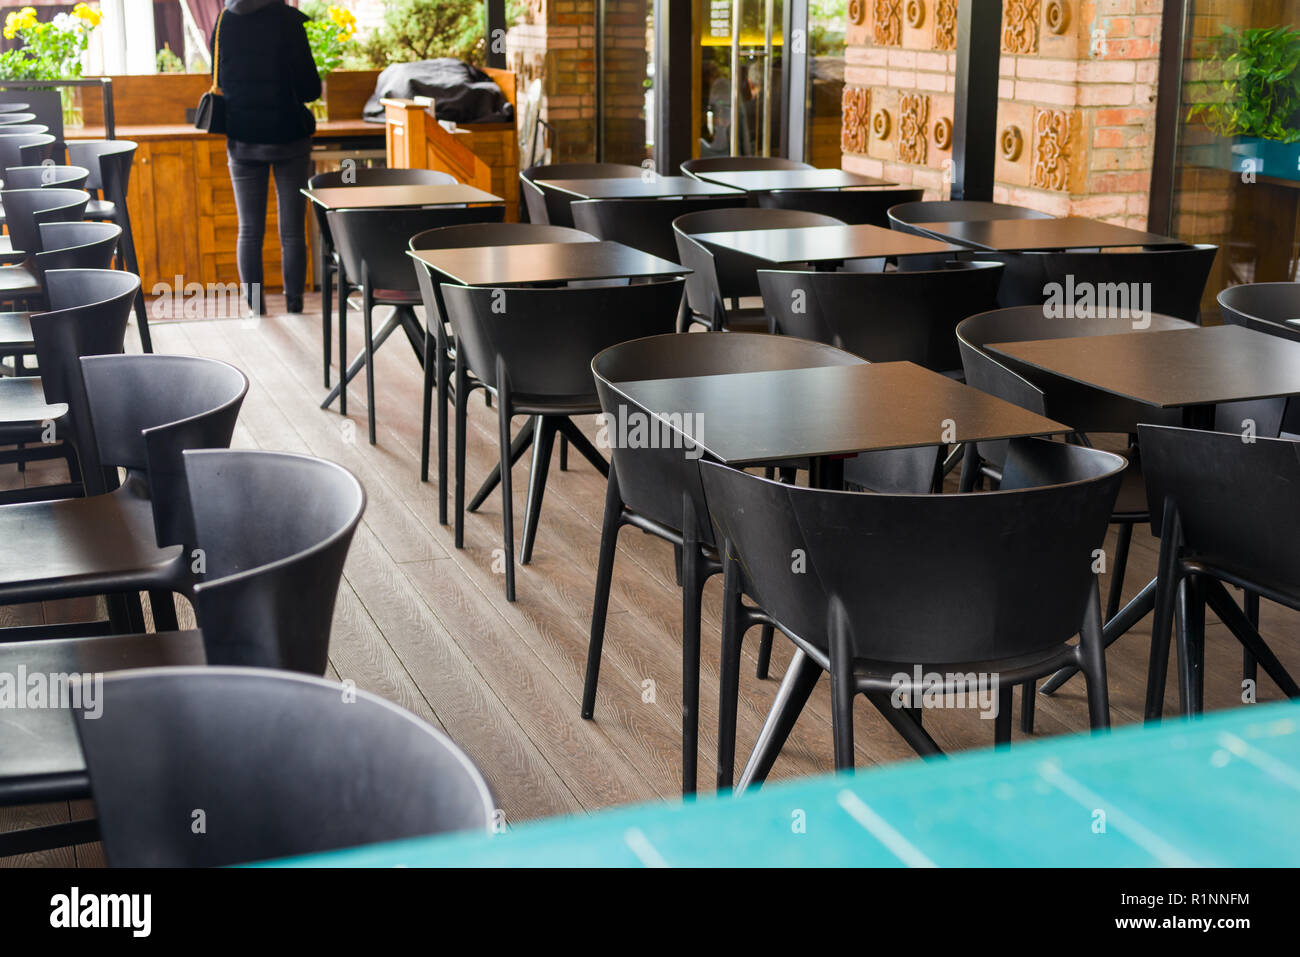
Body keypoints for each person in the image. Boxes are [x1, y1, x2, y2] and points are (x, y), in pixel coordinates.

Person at [210, 0, 321, 315]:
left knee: (249, 229)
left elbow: (220, 78)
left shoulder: (222, 23)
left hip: (242, 139)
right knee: (292, 230)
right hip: (290, 139)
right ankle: (295, 304)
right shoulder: (288, 20)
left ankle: (255, 307)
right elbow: (310, 88)